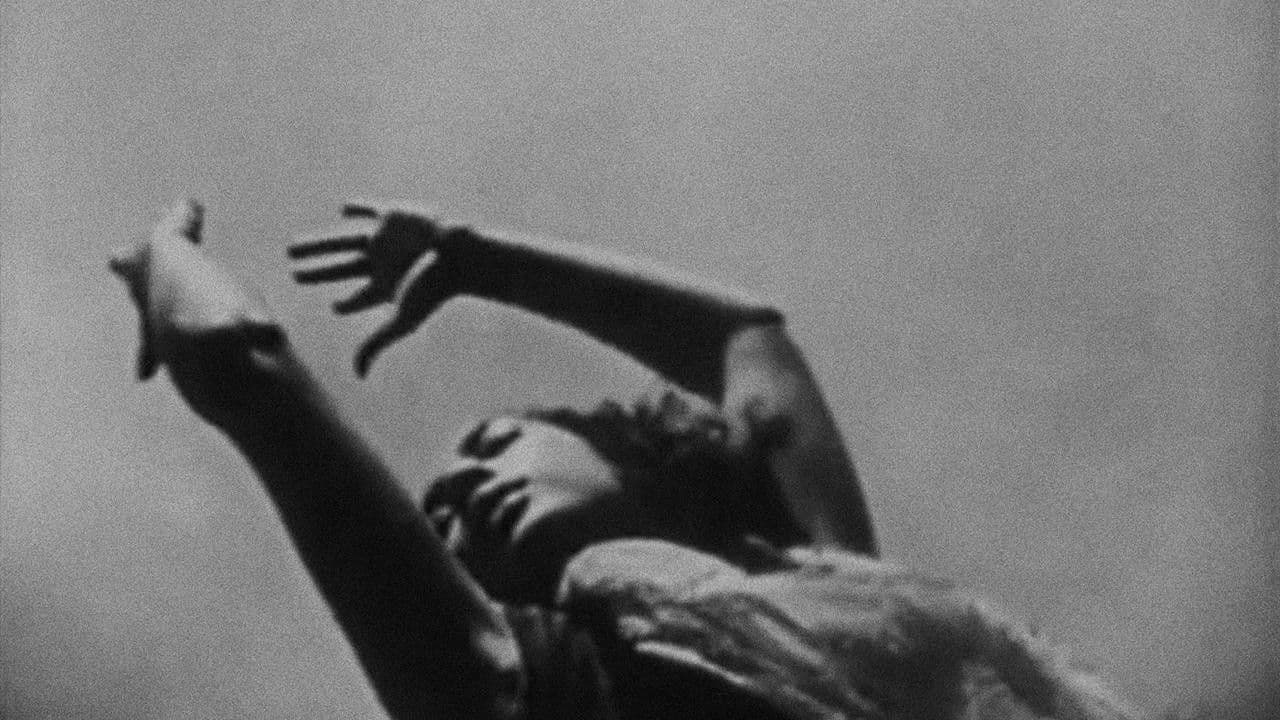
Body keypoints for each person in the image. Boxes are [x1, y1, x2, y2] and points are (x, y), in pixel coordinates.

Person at [111, 199, 1141, 720]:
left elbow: (748, 339)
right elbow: (243, 364)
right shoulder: (535, 682)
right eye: (436, 524)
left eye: (491, 443)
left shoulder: (834, 597)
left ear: (633, 456)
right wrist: (165, 256)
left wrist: (478, 257)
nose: (461, 490)